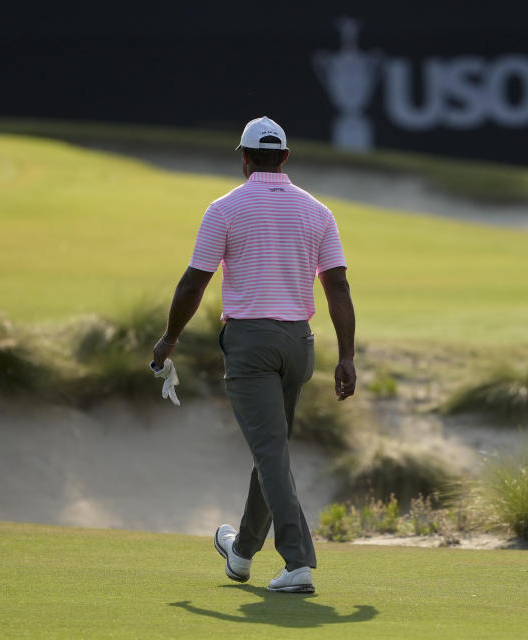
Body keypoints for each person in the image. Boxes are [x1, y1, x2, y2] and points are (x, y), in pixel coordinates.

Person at [151, 116, 356, 594]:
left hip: (249, 345)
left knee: (270, 452)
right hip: (299, 346)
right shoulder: (318, 211)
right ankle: (241, 553)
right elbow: (338, 285)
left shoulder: (225, 208)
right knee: (273, 451)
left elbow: (194, 282)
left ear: (243, 158)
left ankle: (298, 562)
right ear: (284, 157)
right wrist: (346, 356)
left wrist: (169, 338)